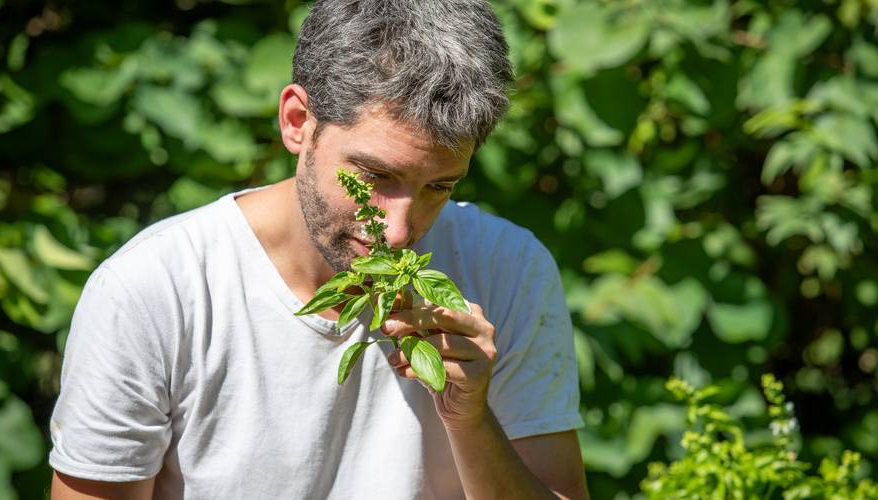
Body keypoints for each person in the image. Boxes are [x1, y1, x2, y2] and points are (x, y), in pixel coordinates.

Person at [49, 0, 587, 498]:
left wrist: (471, 421)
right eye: (375, 175)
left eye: (439, 187)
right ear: (297, 122)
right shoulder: (155, 290)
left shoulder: (509, 268)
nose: (397, 231)